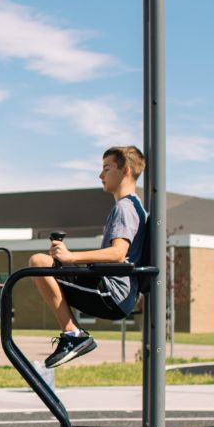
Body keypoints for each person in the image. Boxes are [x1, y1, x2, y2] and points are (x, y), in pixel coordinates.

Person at [32, 145, 147, 368]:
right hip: (115, 293)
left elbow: (118, 252)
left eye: (107, 168)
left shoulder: (125, 208)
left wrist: (71, 258)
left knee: (38, 262)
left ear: (125, 171)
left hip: (111, 294)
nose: (100, 175)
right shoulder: (133, 207)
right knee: (43, 263)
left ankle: (73, 334)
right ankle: (74, 333)